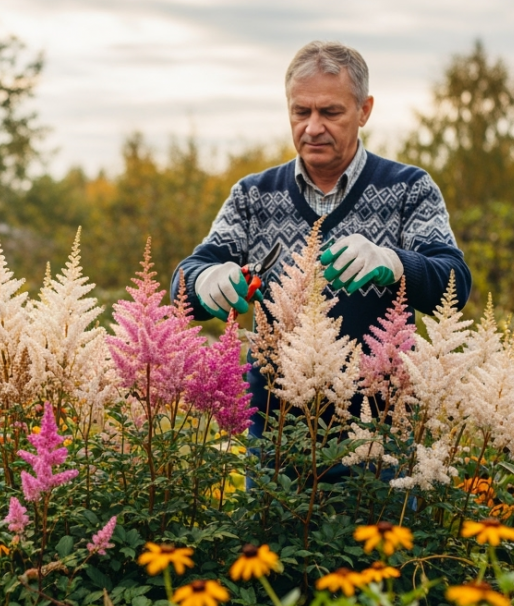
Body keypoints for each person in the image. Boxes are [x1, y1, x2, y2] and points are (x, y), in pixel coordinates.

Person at [170, 40, 472, 467]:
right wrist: (204, 281)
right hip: (275, 440)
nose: (312, 127)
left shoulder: (409, 189)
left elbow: (455, 283)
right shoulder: (253, 195)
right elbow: (185, 280)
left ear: (364, 110)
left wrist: (394, 262)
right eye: (300, 112)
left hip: (378, 437)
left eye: (330, 112)